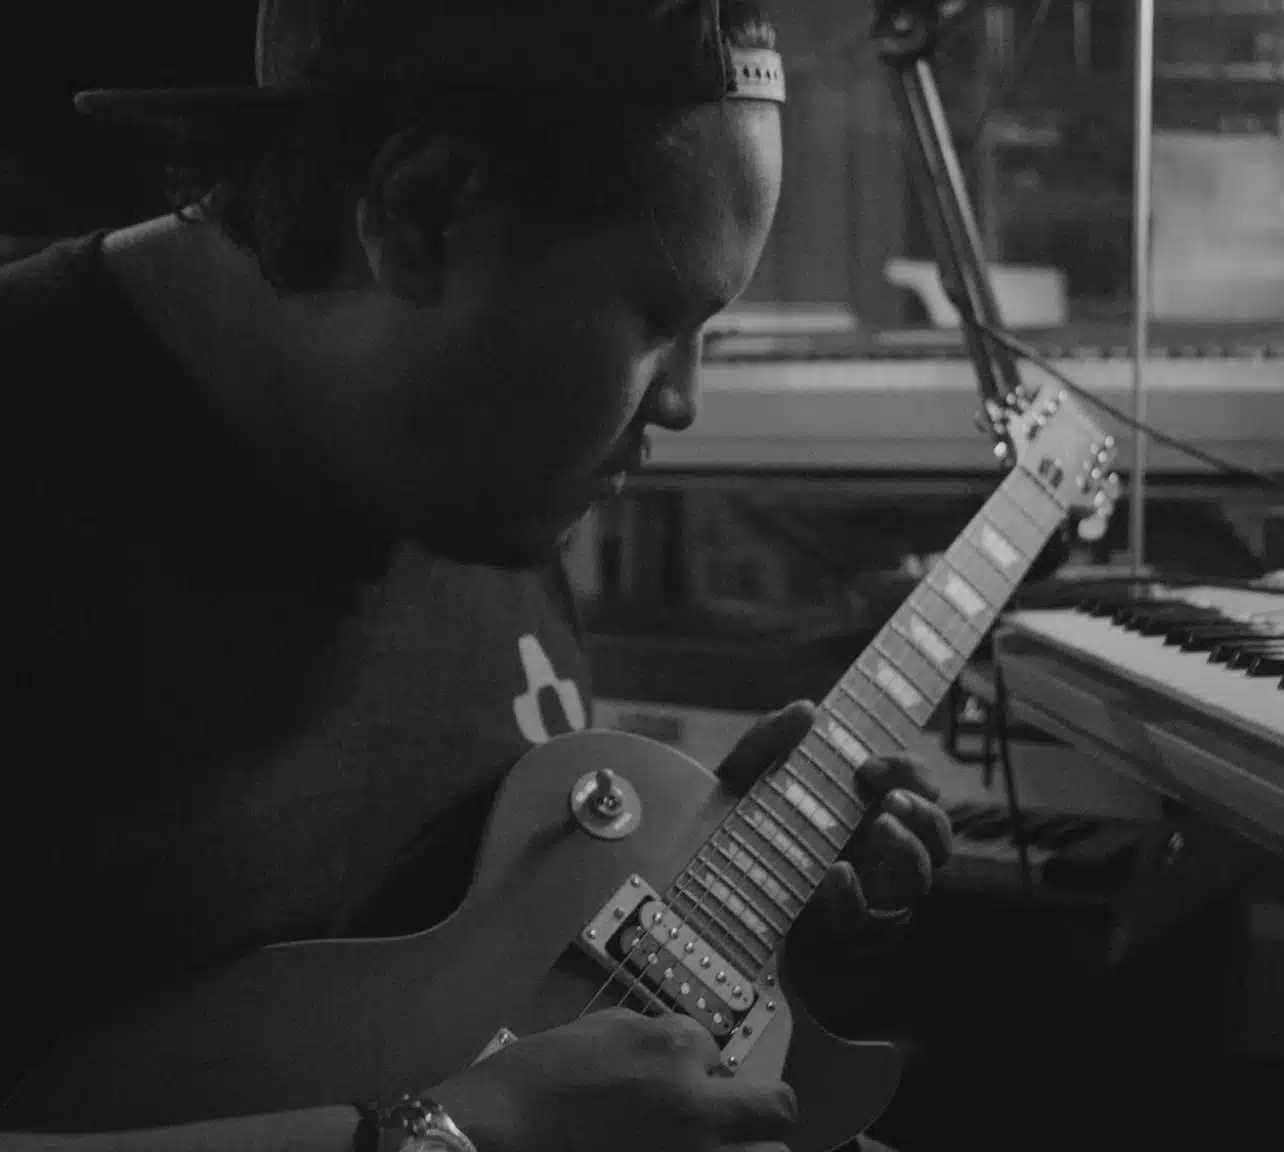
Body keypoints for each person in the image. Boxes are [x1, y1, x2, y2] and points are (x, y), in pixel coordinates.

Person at [2, 1, 954, 1150]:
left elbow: (464, 979)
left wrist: (752, 911)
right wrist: (459, 1135)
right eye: (659, 315)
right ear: (422, 214)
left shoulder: (474, 486)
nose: (683, 401)